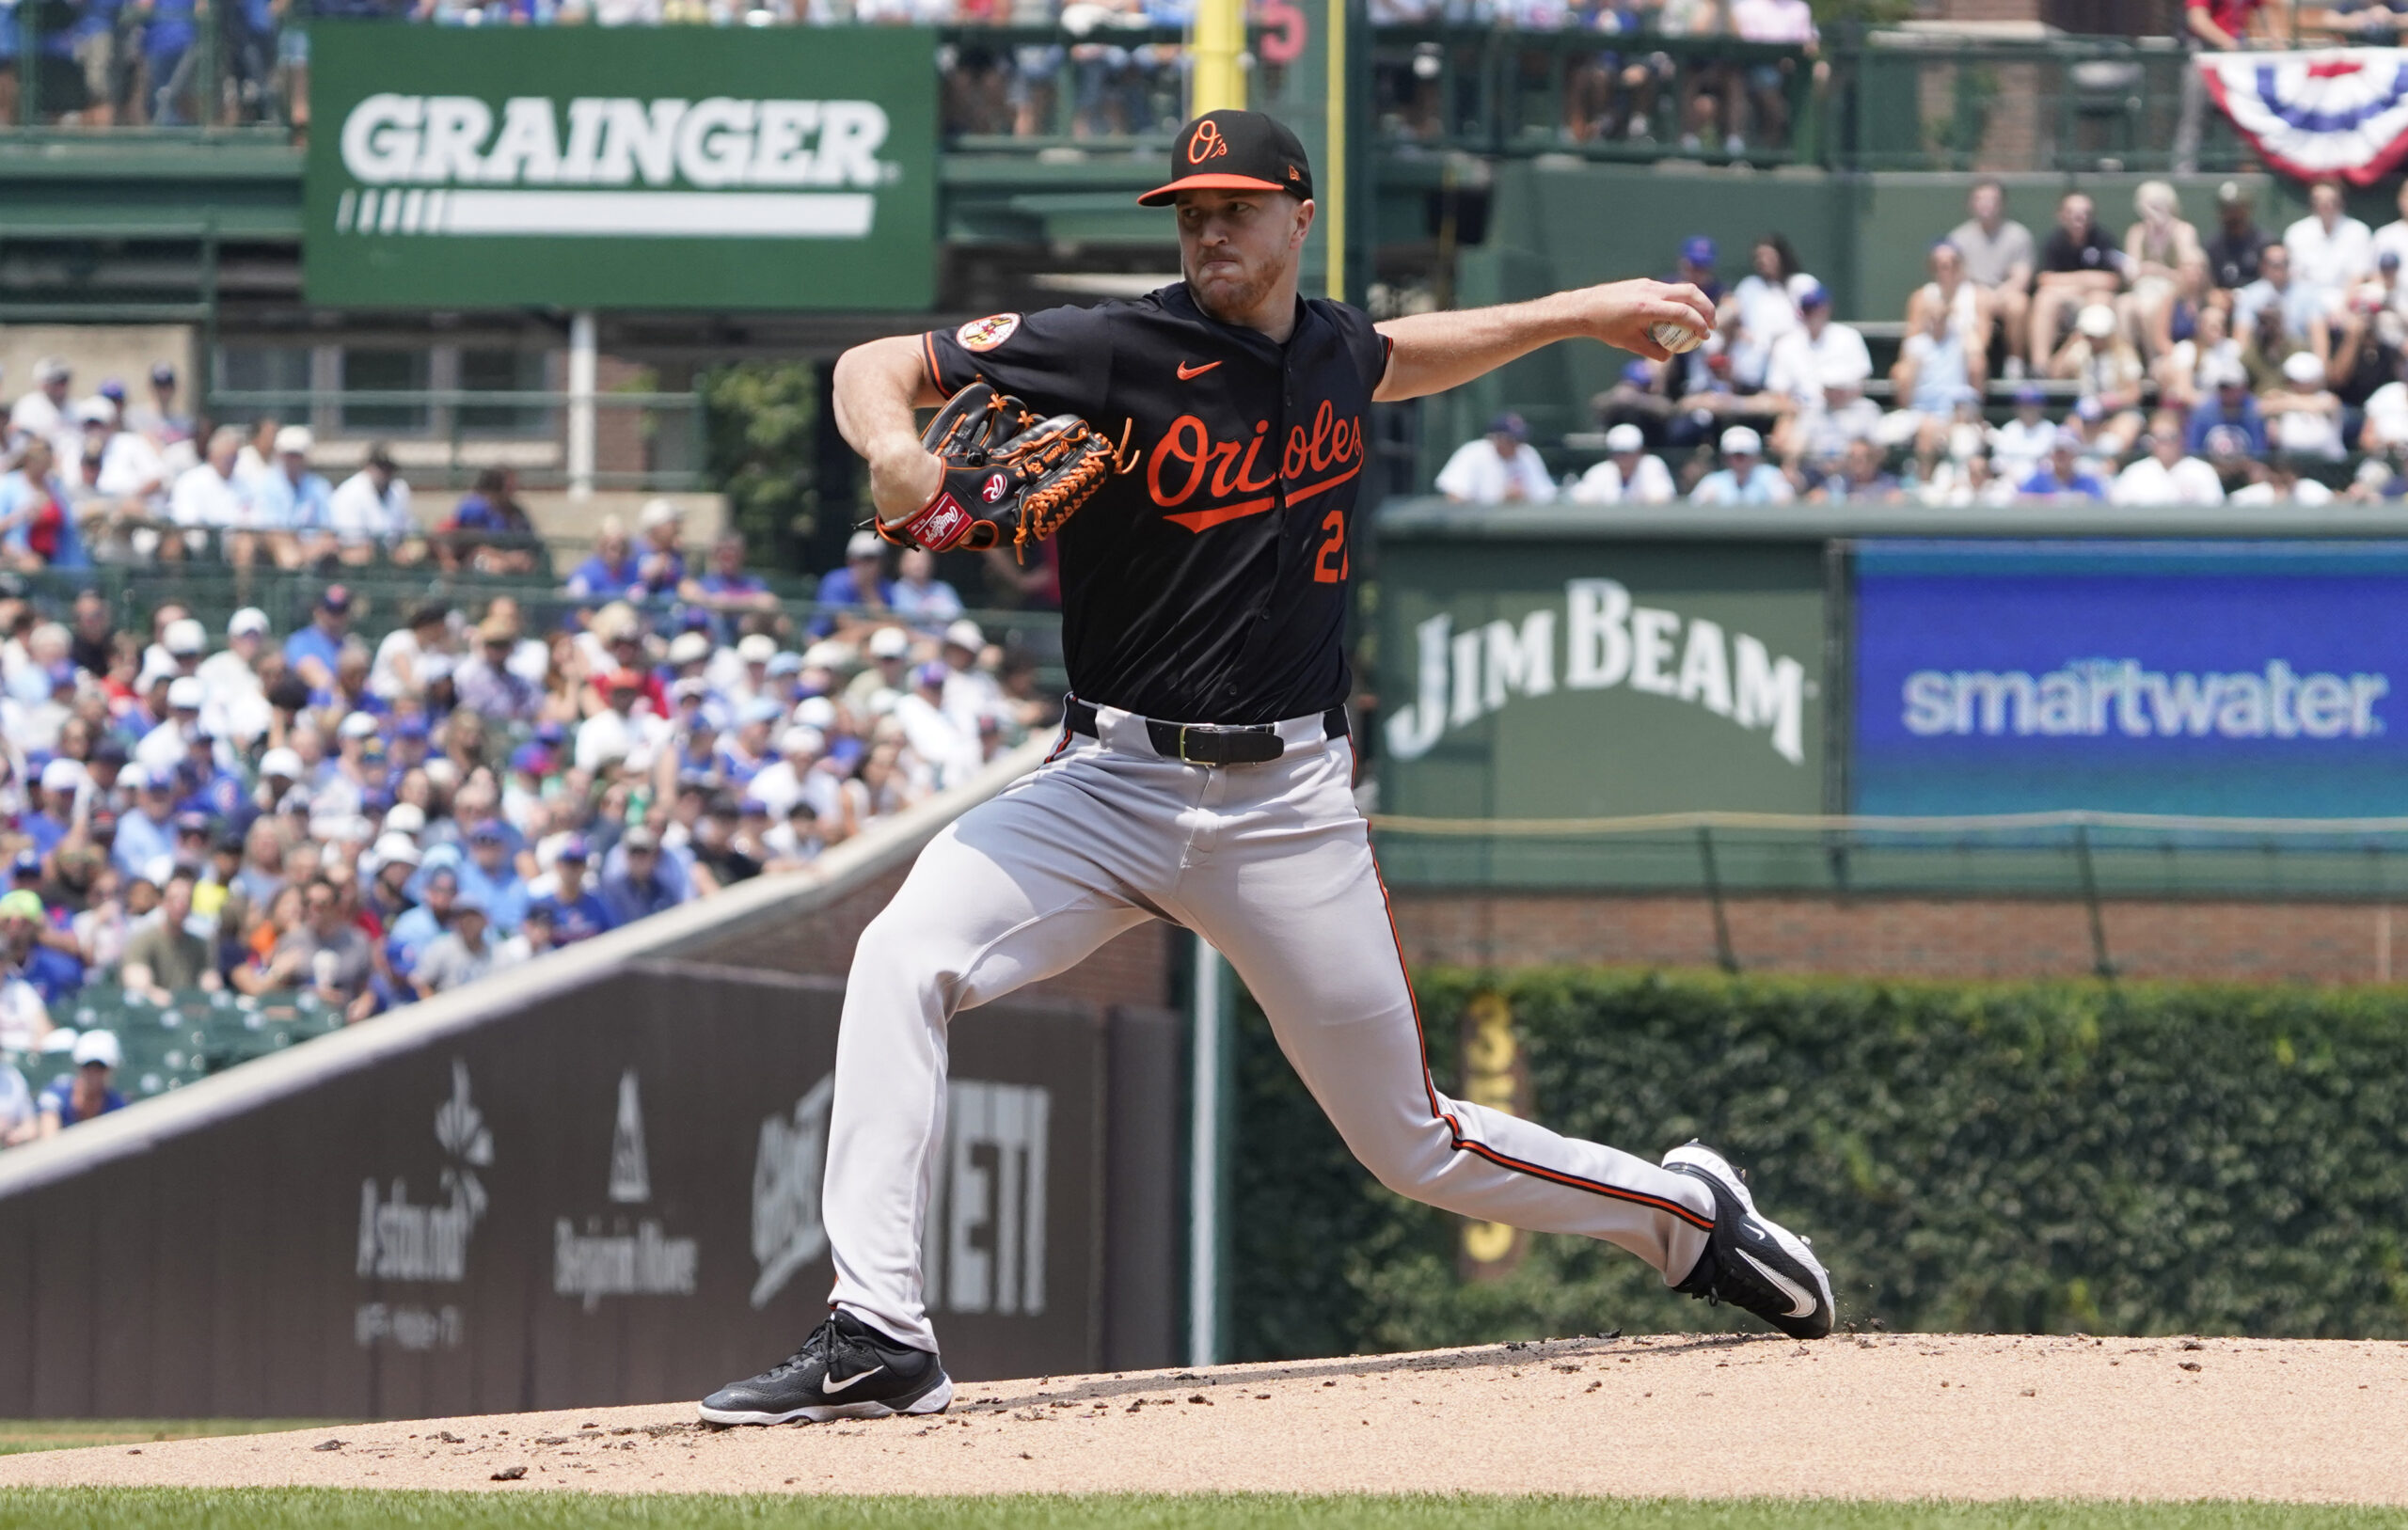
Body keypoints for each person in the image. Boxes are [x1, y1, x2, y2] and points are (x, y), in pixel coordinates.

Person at [698, 109, 1837, 1429]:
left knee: (1410, 1142)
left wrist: (1584, 311)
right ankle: (879, 1332)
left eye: (1235, 206)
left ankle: (1692, 1221)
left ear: (1301, 217)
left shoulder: (1337, 346)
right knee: (903, 958)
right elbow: (875, 360)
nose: (1209, 229)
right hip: (1109, 784)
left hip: (1287, 809)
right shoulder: (1116, 344)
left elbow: (1403, 356)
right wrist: (900, 452)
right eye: (1190, 210)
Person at [2030, 193, 2128, 365]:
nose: (2079, 218)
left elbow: (2112, 281)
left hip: (2091, 299)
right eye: (2072, 213)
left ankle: (2096, 365)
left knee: (2100, 298)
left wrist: (2068, 282)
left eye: (2085, 213)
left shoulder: (2103, 239)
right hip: (2063, 299)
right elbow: (2044, 279)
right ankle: (2040, 366)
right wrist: (2086, 279)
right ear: (2061, 216)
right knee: (2045, 299)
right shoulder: (2053, 241)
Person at [1948, 180, 2035, 373]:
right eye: (1981, 199)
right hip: (1974, 295)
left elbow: (2021, 278)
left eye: (1992, 199)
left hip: (2006, 295)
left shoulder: (2018, 235)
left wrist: (1998, 295)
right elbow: (1957, 278)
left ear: (2002, 204)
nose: (1987, 204)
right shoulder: (1959, 238)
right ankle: (1977, 363)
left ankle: (2016, 363)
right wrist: (1982, 294)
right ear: (1971, 203)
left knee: (2019, 304)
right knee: (1980, 302)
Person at [119, 869, 218, 1001]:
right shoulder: (143, 939)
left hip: (190, 1010)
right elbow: (136, 980)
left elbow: (210, 980)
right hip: (151, 1011)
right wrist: (159, 996)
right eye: (174, 899)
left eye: (186, 900)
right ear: (162, 902)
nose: (180, 905)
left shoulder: (200, 944)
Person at [2284, 179, 2374, 319]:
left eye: (2331, 200)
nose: (2325, 205)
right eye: (2318, 200)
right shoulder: (2296, 232)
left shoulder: (2359, 231)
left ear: (2341, 202)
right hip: (2305, 301)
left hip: (2346, 301)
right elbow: (2293, 278)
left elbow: (2358, 276)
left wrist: (2342, 308)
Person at [1434, 413, 1557, 504]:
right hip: (1481, 530)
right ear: (1495, 438)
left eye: (1519, 439)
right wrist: (1499, 499)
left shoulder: (1527, 453)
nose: (1516, 445)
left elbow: (1546, 495)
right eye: (1511, 440)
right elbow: (1454, 496)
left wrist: (1521, 497)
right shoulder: (1473, 452)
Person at [326, 443, 418, 562]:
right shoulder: (349, 492)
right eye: (380, 467)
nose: (384, 473)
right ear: (367, 467)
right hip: (355, 557)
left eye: (388, 468)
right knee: (360, 554)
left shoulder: (399, 489)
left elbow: (408, 530)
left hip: (390, 553)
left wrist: (407, 548)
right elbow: (352, 541)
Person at [2113, 412, 2227, 506]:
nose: (2165, 444)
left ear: (2182, 438)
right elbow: (2117, 508)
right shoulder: (2134, 472)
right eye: (2159, 437)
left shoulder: (2201, 470)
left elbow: (2214, 509)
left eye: (2171, 437)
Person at [810, 531, 902, 639]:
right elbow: (845, 624)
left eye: (874, 559)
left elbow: (896, 623)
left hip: (870, 644)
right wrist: (881, 626)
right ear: (850, 560)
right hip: (825, 641)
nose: (869, 565)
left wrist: (870, 592)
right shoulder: (835, 581)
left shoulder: (886, 587)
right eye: (864, 558)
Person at [410, 891, 500, 998]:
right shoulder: (441, 948)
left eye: (472, 916)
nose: (467, 922)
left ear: (485, 920)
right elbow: (421, 983)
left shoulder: (497, 952)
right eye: (461, 917)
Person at [37, 1028, 124, 1136]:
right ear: (77, 1067)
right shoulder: (57, 1095)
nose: (93, 1073)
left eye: (100, 1067)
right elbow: (49, 1141)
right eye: (87, 1066)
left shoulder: (117, 1105)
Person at [1568, 423, 1676, 504]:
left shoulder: (1652, 465)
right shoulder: (1599, 471)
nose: (1622, 458)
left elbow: (1662, 498)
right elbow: (1581, 500)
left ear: (1640, 451)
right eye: (1617, 453)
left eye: (1628, 452)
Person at [1689, 425, 1794, 504]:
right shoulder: (1713, 481)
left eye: (1745, 455)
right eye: (1735, 455)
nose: (1740, 460)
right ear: (1726, 457)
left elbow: (1786, 502)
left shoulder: (1772, 477)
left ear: (1756, 456)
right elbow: (1694, 507)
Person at [2205, 181, 2272, 292]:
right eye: (2227, 209)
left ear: (2248, 210)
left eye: (2237, 209)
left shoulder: (2265, 244)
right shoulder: (2212, 247)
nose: (2232, 215)